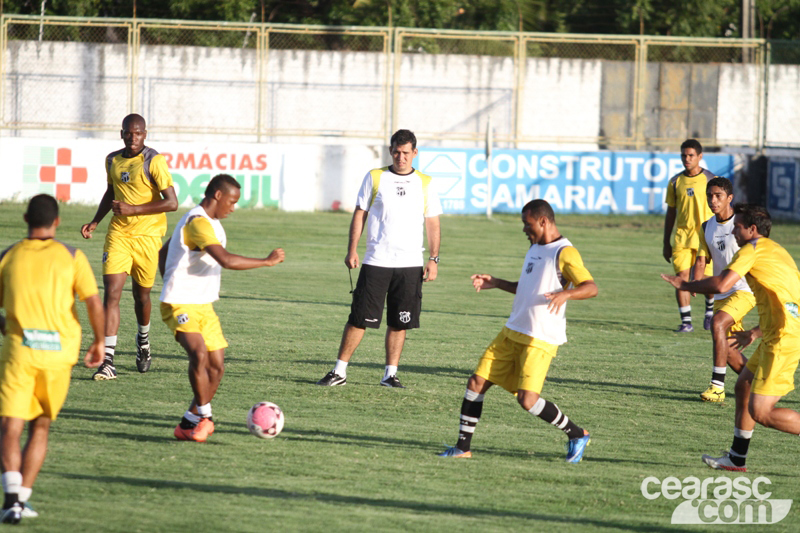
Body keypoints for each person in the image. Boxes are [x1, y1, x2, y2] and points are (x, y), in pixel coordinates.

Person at [439, 199, 598, 462]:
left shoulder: (565, 252)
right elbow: (526, 287)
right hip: (512, 330)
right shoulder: (535, 248)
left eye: (527, 223)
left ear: (543, 221)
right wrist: (496, 282)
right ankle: (462, 448)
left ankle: (577, 433)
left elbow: (590, 287)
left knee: (527, 400)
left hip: (540, 337)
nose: (524, 229)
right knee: (477, 382)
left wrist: (566, 294)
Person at [661, 204, 800, 472]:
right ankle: (737, 458)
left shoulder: (752, 250)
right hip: (777, 333)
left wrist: (686, 285)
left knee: (762, 412)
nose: (733, 231)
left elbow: (722, 284)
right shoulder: (778, 251)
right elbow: (789, 299)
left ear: (752, 229)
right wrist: (756, 332)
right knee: (743, 385)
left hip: (783, 340)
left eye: (738, 226)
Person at [0, 194, 104, 524]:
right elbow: (93, 302)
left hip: (20, 353)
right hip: (59, 355)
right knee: (41, 425)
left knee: (10, 426)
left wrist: (5, 324)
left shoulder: (9, 256)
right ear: (57, 222)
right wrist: (100, 341)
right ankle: (22, 499)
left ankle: (11, 499)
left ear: (25, 219)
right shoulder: (72, 256)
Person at [159, 174, 284, 442]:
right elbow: (225, 260)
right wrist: (266, 262)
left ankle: (188, 422)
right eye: (232, 201)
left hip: (203, 305)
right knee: (199, 354)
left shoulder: (209, 223)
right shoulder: (197, 222)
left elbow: (164, 251)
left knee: (217, 367)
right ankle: (206, 418)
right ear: (217, 195)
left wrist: (168, 272)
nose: (233, 207)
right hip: (180, 303)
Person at [316, 129, 442, 389]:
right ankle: (339, 371)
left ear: (415, 153)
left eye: (405, 153)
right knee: (359, 318)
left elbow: (432, 223)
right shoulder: (375, 177)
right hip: (376, 261)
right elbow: (360, 213)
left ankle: (390, 375)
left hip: (410, 264)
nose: (400, 157)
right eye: (396, 152)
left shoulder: (426, 182)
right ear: (390, 151)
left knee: (399, 322)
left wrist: (434, 259)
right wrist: (352, 249)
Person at [81, 113, 178, 380]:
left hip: (148, 238)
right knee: (111, 293)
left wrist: (134, 209)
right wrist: (96, 221)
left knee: (141, 297)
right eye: (128, 133)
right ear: (121, 133)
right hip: (119, 235)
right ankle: (108, 361)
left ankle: (143, 341)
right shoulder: (112, 160)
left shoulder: (153, 161)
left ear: (145, 134)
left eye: (138, 133)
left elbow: (172, 203)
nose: (133, 138)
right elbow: (111, 192)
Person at [693, 178, 755, 402]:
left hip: (744, 290)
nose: (713, 200)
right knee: (728, 350)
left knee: (717, 322)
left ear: (730, 198)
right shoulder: (706, 227)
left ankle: (717, 387)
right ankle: (758, 386)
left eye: (718, 196)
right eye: (710, 196)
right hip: (722, 293)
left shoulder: (742, 224)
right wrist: (695, 281)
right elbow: (702, 259)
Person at [662, 139, 715, 333]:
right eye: (684, 155)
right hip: (682, 238)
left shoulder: (711, 180)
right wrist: (666, 242)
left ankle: (709, 312)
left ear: (700, 156)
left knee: (707, 280)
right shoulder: (675, 182)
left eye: (691, 155)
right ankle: (686, 322)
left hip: (706, 237)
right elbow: (671, 213)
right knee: (681, 278)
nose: (687, 159)